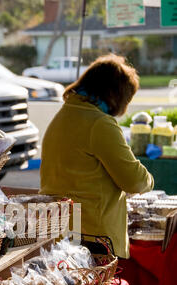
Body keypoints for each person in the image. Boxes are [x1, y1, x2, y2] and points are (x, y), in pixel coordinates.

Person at [40, 54, 154, 258]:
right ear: (116, 95)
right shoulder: (99, 123)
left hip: (61, 229)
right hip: (93, 237)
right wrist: (149, 180)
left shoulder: (65, 114)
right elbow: (134, 181)